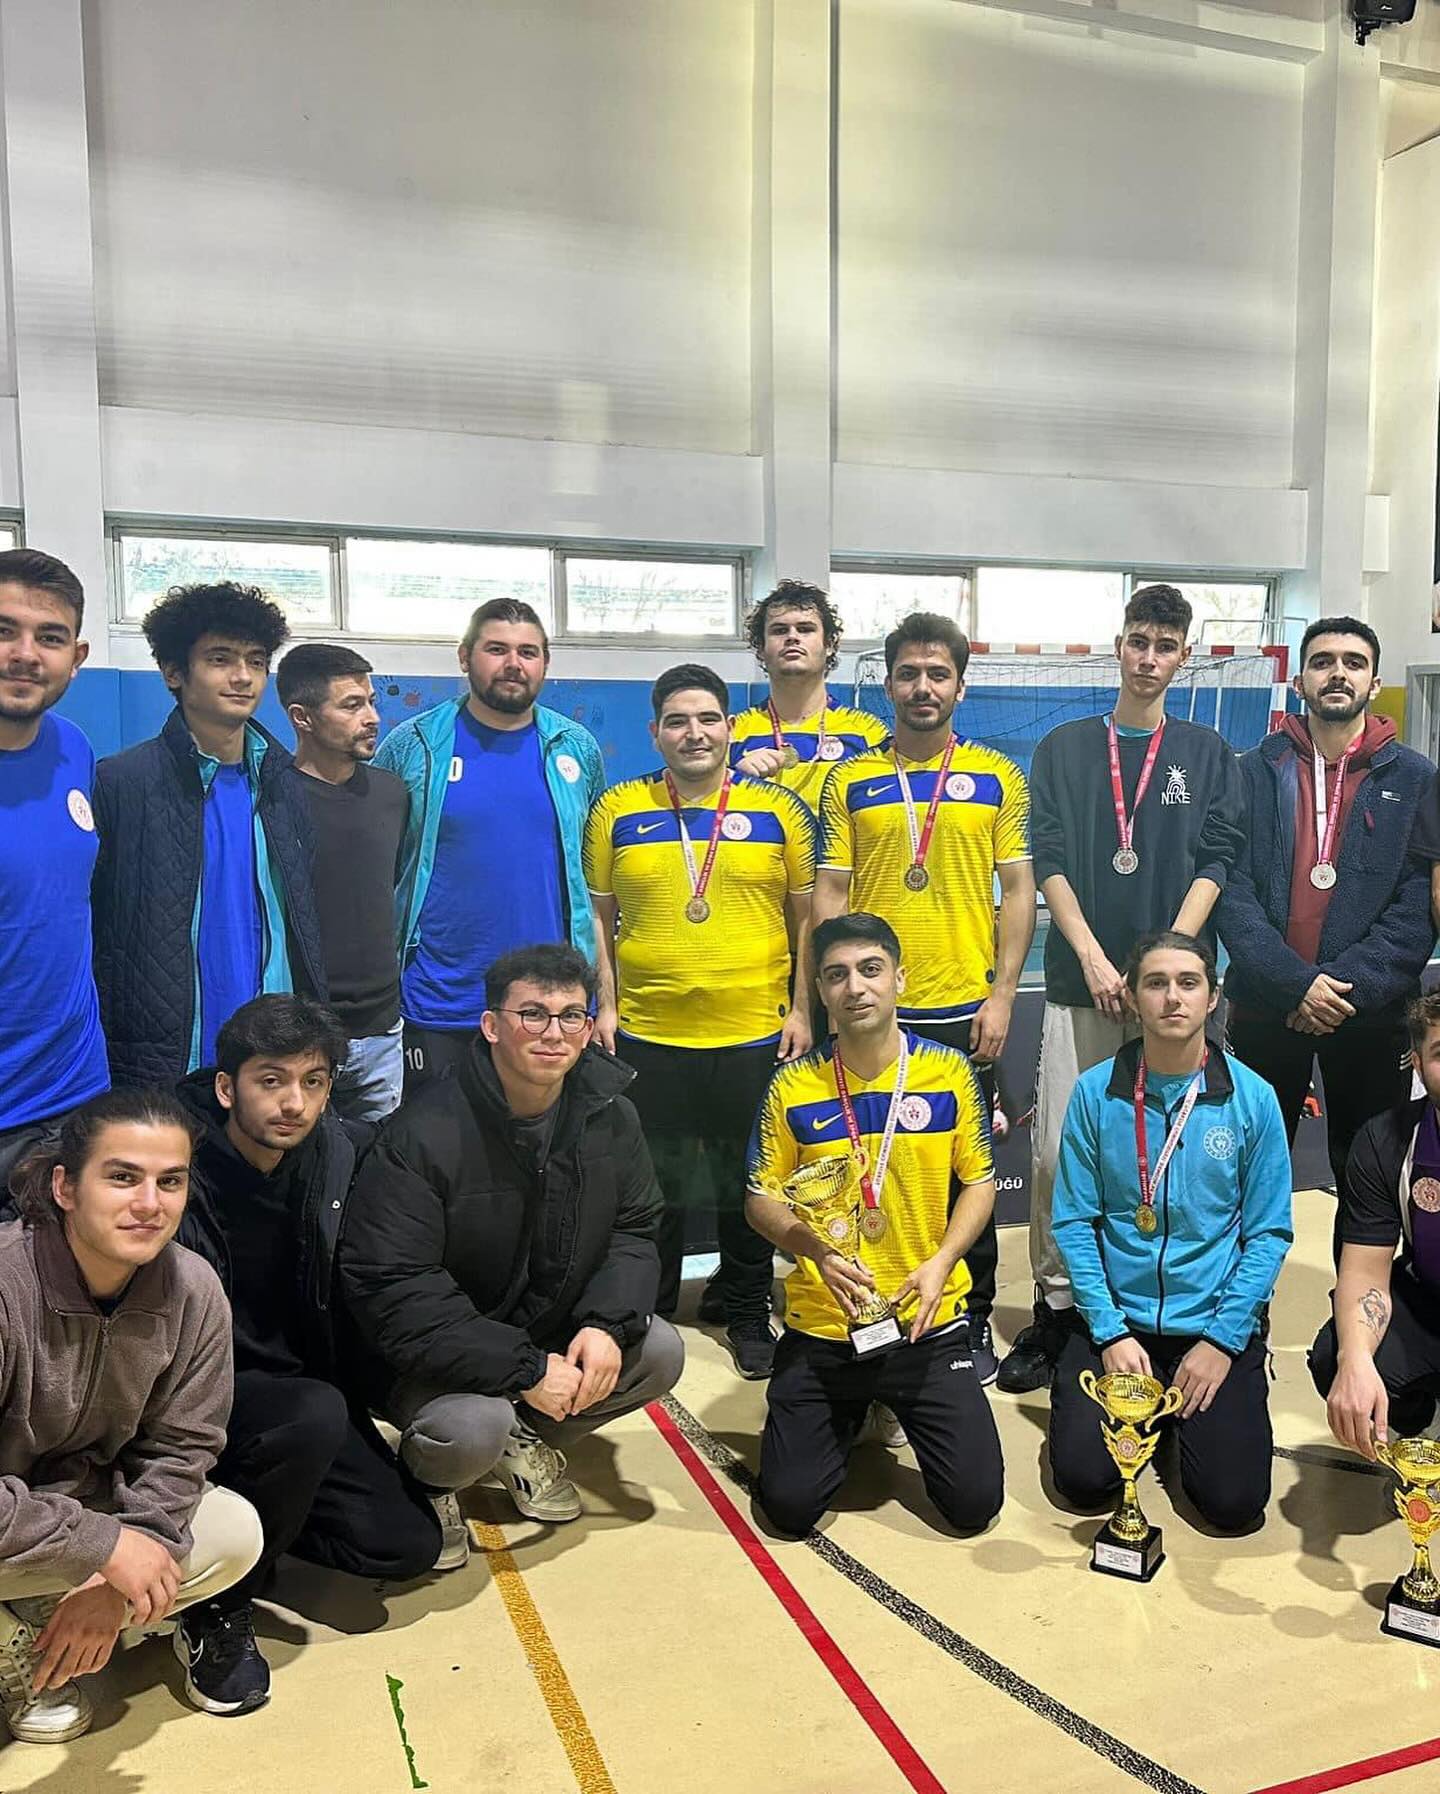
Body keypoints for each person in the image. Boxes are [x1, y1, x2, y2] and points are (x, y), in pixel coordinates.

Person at [997, 584, 1246, 1394]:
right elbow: (1050, 857)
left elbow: (1217, 858)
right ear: (1119, 645)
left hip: (1171, 989)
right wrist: (1098, 959)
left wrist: (1162, 966)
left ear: (1184, 656)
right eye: (1139, 641)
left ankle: (1156, 1301)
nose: (1149, 658)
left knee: (1167, 1154)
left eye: (1165, 646)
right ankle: (1057, 1310)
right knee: (1055, 1154)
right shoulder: (1065, 748)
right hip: (1085, 983)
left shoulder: (1207, 752)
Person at [340, 943, 684, 1527]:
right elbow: (394, 1285)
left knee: (658, 1351)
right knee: (473, 1428)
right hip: (428, 1354)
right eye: (533, 1014)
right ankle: (430, 1482)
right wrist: (525, 1370)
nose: (553, 1033)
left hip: (537, 1328)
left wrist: (604, 1324)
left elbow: (634, 1229)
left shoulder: (613, 1118)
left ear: (587, 1030)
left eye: (570, 1016)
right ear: (491, 1026)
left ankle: (520, 1437)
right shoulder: (423, 1133)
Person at [175, 995, 444, 1718]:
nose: (294, 1103)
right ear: (227, 1086)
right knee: (315, 1410)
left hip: (301, 1397)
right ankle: (215, 1607)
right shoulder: (170, 1162)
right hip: (198, 1399)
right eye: (271, 1080)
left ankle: (256, 1526)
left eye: (314, 1081)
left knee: (405, 1548)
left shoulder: (337, 1152)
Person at [0, 1089, 262, 1744]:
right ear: (65, 1187)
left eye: (170, 1181)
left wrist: (112, 1585)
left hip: (72, 1510)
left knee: (235, 1532)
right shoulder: (7, 1284)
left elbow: (184, 1449)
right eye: (122, 1177)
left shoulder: (193, 1288)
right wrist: (105, 1547)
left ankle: (47, 1617)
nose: (150, 1203)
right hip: (24, 1516)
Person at [814, 611, 1035, 1384]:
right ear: (888, 684)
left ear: (960, 687)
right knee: (863, 1173)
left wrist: (1002, 995)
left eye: (938, 674)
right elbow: (831, 891)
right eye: (908, 673)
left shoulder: (998, 776)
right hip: (871, 1013)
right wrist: (831, 994)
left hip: (963, 1011)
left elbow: (1018, 890)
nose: (922, 687)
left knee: (966, 1177)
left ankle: (970, 1319)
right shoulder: (850, 780)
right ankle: (864, 1315)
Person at [585, 664, 816, 1377]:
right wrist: (606, 1004)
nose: (695, 733)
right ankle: (647, 1312)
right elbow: (597, 917)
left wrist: (803, 1008)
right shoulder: (616, 808)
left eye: (708, 719)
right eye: (678, 721)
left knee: (747, 1183)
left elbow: (807, 919)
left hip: (754, 1035)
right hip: (648, 1037)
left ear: (729, 728)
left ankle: (746, 1310)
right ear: (654, 732)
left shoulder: (778, 809)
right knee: (652, 1188)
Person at [745, 912, 1004, 1536]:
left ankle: (889, 1401)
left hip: (925, 1322)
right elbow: (759, 1198)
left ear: (899, 979)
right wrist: (814, 1250)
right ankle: (856, 1406)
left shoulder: (950, 1072)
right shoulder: (791, 1085)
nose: (855, 987)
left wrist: (942, 1262)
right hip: (826, 1323)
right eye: (836, 975)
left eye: (870, 970)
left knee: (974, 1505)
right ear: (821, 990)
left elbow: (979, 1182)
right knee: (788, 1509)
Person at [1047, 931, 1292, 1534]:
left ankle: (1193, 1406)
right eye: (1156, 984)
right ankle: (1153, 1407)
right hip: (1118, 1325)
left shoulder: (1254, 1099)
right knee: (1084, 1481)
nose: (1173, 998)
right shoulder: (1094, 1093)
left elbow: (1268, 1235)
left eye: (1189, 983)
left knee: (1233, 1505)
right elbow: (1074, 1222)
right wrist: (1108, 1331)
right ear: (1132, 998)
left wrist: (1222, 1341)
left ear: (1213, 997)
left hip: (1211, 1327)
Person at [1219, 617, 1435, 1261]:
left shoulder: (1417, 778)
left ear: (1374, 680)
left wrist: (1340, 989)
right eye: (1322, 661)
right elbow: (1231, 889)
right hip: (1266, 1008)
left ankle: (1358, 1307)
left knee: (1366, 1174)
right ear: (1299, 680)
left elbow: (1417, 907)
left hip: (1370, 1017)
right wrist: (1295, 984)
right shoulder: (1252, 770)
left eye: (1353, 662)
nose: (1337, 673)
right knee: (1246, 1175)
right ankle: (1242, 1310)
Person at [91, 582, 327, 1088]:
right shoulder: (121, 783)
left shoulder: (284, 786)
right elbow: (100, 929)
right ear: (174, 672)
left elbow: (300, 922)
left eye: (256, 661)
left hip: (270, 1053)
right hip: (166, 1055)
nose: (243, 676)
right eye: (220, 659)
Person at [375, 598, 605, 1095]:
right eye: (496, 649)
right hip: (440, 999)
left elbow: (590, 883)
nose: (513, 664)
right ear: (465, 657)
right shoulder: (413, 745)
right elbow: (380, 869)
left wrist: (601, 998)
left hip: (550, 1008)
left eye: (528, 652)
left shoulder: (576, 747)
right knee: (435, 1138)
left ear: (545, 663)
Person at [0, 549, 109, 1190]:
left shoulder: (74, 748)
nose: (24, 655)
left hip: (72, 1096)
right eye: (4, 631)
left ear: (77, 656)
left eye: (49, 637)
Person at [278, 644, 409, 1122]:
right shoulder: (272, 799)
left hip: (382, 1030)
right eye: (352, 705)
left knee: (381, 1160)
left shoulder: (391, 794)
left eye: (371, 702)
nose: (372, 717)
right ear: (303, 717)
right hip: (300, 1033)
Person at [1310, 991, 1440, 1460]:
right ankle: (1418, 1422)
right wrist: (1356, 1360)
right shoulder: (1387, 1140)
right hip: (1430, 1305)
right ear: (1417, 1066)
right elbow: (1365, 1272)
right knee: (1337, 1355)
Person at [729, 579, 888, 813]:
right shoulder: (733, 734)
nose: (792, 637)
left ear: (829, 644)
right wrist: (735, 781)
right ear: (761, 649)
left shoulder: (869, 733)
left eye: (805, 629)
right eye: (779, 630)